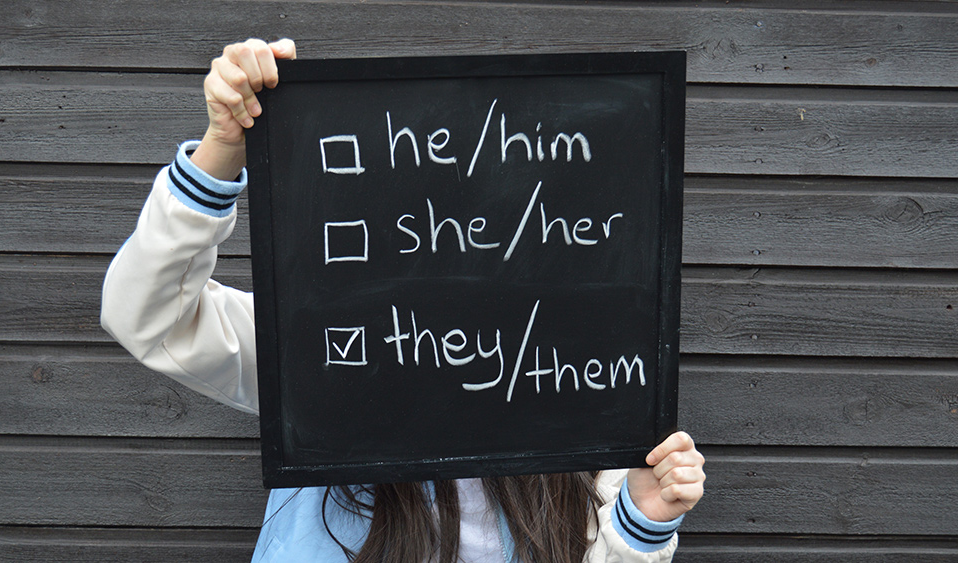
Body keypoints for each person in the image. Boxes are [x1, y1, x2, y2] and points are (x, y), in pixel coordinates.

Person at [101, 38, 706, 563]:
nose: (467, 250)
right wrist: (221, 149)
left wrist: (643, 522)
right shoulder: (321, 349)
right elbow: (146, 317)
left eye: (496, 228)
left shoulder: (585, 387)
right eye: (444, 228)